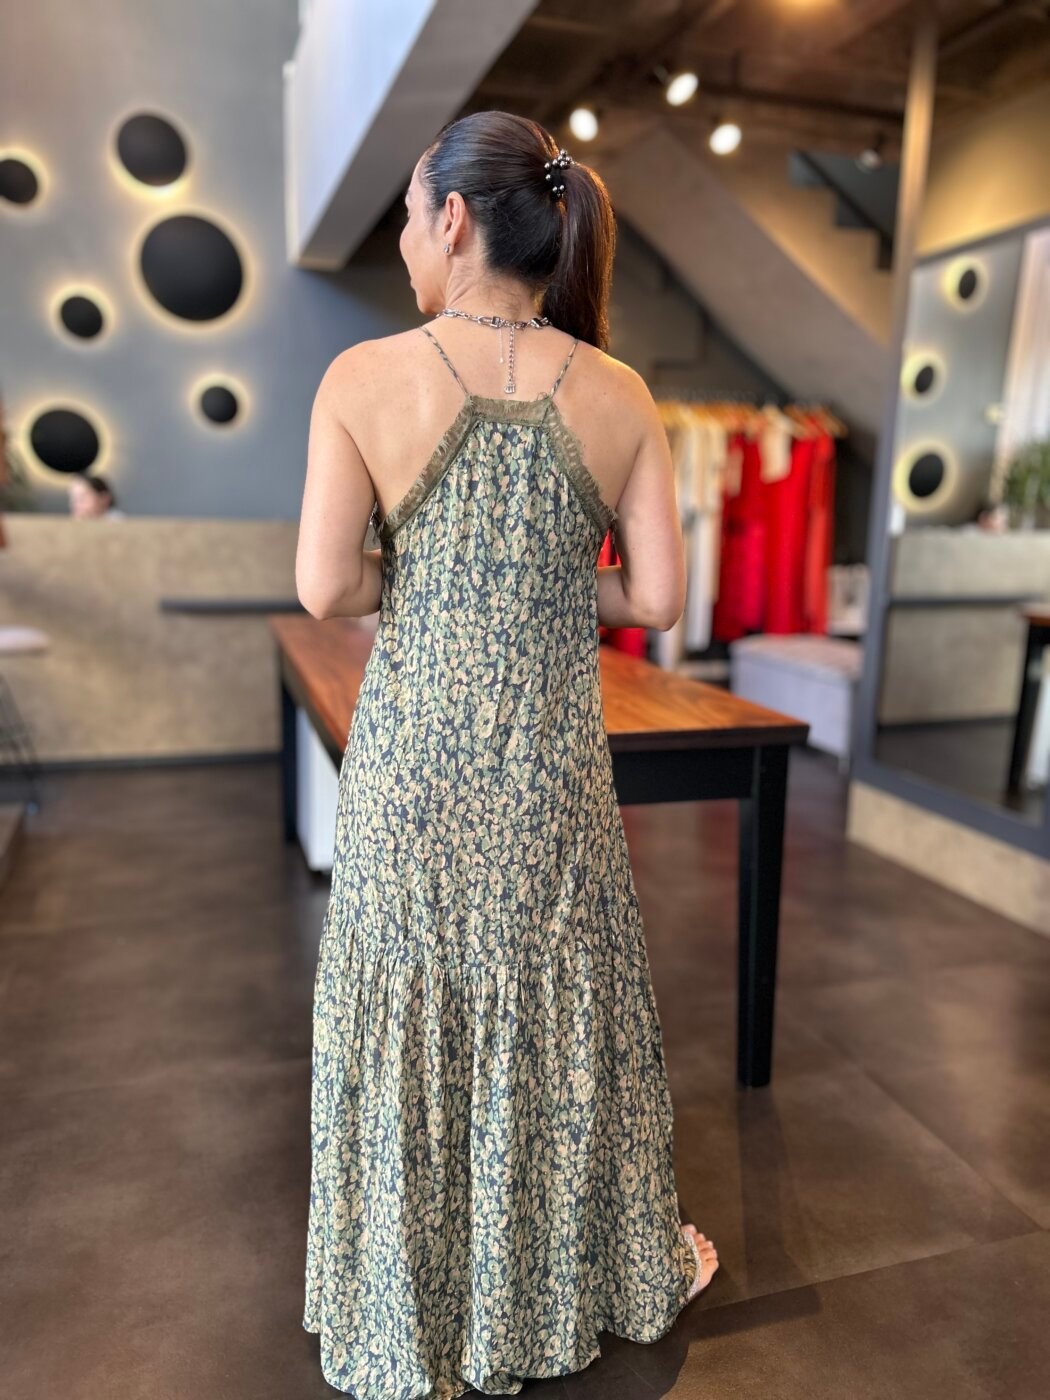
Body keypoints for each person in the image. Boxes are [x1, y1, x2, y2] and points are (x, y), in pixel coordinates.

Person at [296, 110, 719, 1399]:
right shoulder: (621, 391)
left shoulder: (363, 377)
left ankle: (407, 1308)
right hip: (548, 776)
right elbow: (659, 600)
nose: (403, 245)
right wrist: (535, 581)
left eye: (407, 219)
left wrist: (438, 576)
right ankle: (546, 1291)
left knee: (410, 1010)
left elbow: (325, 586)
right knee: (553, 1010)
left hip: (412, 774)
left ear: (454, 219)